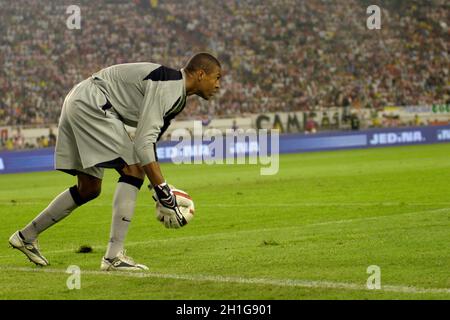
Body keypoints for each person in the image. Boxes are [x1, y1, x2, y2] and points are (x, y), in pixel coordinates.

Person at [9, 52, 222, 271]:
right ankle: (113, 257)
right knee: (133, 171)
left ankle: (26, 236)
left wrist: (156, 187)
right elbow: (143, 143)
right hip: (94, 104)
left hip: (79, 100)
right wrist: (164, 191)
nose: (218, 85)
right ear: (200, 74)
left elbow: (149, 143)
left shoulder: (176, 96)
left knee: (89, 188)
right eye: (217, 77)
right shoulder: (169, 86)